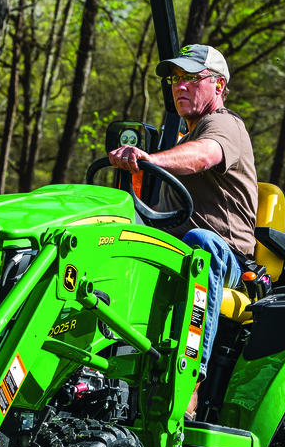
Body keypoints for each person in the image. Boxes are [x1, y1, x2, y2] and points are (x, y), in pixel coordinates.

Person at [108, 44, 258, 419]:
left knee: (199, 245)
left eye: (192, 78)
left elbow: (206, 154)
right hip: (176, 251)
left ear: (219, 85)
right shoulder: (178, 138)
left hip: (228, 260)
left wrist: (148, 160)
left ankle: (188, 381)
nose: (180, 86)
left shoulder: (223, 124)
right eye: (176, 79)